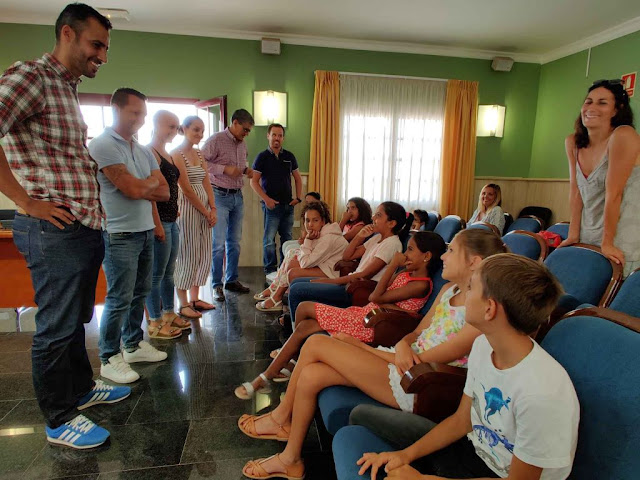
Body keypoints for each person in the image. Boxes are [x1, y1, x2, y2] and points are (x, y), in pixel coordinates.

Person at [236, 230, 508, 479]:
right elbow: (417, 333)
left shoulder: (480, 313)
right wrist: (403, 344)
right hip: (400, 361)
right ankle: (291, 460)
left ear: (474, 262)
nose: (444, 257)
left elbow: (427, 360)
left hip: (419, 383)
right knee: (312, 374)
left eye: (452, 251)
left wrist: (359, 346)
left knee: (317, 344)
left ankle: (281, 418)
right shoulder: (450, 290)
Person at [0, 4, 130, 449]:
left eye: (106, 48)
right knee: (56, 328)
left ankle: (81, 389)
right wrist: (26, 202)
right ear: (67, 34)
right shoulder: (32, 77)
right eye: (96, 45)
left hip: (80, 227)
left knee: (75, 320)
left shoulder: (65, 87)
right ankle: (58, 418)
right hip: (52, 229)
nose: (103, 56)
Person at [355, 254, 579, 480]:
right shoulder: (483, 345)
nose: (463, 293)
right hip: (469, 451)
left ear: (489, 309)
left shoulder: (541, 393)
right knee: (361, 417)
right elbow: (462, 420)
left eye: (470, 288)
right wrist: (404, 456)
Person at [235, 231, 445, 400]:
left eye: (410, 249)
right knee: (304, 326)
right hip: (364, 314)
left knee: (305, 308)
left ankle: (278, 368)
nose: (405, 254)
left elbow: (376, 296)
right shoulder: (406, 274)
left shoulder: (420, 285)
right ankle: (273, 371)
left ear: (426, 256)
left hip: (373, 324)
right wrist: (390, 284)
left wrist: (391, 266)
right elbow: (379, 295)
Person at [89, 88, 170, 384]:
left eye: (143, 114)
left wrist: (142, 185)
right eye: (135, 113)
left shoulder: (142, 149)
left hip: (145, 230)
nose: (140, 119)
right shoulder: (102, 144)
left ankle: (133, 345)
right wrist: (144, 185)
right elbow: (133, 189)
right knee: (119, 297)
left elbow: (165, 191)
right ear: (116, 110)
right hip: (119, 234)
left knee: (140, 292)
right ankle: (109, 357)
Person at [561, 79, 640, 277]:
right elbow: (576, 191)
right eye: (588, 101)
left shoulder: (624, 135)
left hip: (623, 239)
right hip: (589, 235)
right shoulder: (573, 142)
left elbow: (614, 194)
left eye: (602, 103)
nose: (591, 107)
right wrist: (573, 234)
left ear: (616, 110)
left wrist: (608, 243)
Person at [285, 201, 408, 323]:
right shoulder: (377, 238)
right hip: (350, 282)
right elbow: (347, 256)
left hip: (357, 289)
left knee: (297, 290)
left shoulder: (391, 244)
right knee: (296, 282)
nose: (373, 217)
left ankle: (294, 326)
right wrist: (360, 236)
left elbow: (365, 274)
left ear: (391, 223)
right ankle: (297, 324)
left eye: (378, 215)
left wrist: (331, 281)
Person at [253, 201, 348, 313]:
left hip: (333, 272)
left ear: (323, 221)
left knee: (293, 273)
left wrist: (307, 240)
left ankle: (277, 296)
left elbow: (305, 262)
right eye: (307, 220)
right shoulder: (321, 232)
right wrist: (308, 240)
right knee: (292, 257)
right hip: (325, 266)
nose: (310, 224)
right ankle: (275, 292)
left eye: (315, 220)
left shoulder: (328, 238)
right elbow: (310, 255)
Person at [144, 110, 190, 339]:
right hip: (159, 221)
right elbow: (150, 193)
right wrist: (156, 224)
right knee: (156, 274)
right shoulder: (148, 152)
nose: (174, 131)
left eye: (176, 127)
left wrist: (175, 210)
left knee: (169, 273)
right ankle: (155, 321)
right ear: (155, 125)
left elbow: (171, 187)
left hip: (172, 219)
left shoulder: (168, 154)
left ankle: (169, 313)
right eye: (170, 126)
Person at [202, 109, 255, 302]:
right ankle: (216, 284)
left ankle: (231, 280)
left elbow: (239, 166)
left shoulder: (243, 144)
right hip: (219, 196)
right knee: (218, 244)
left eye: (249, 131)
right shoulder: (216, 140)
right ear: (235, 122)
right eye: (245, 129)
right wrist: (224, 169)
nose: (246, 133)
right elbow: (201, 162)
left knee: (234, 242)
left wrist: (246, 170)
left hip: (237, 196)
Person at [172, 116, 217, 318]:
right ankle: (183, 304)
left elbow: (206, 181)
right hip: (188, 209)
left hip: (205, 208)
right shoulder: (176, 154)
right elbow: (186, 189)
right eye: (196, 130)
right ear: (184, 129)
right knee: (187, 253)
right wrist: (205, 211)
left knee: (203, 253)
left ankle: (195, 298)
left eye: (202, 130)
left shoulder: (199, 153)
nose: (200, 134)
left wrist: (213, 208)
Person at [251, 123, 303, 274]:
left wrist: (298, 198)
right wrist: (267, 199)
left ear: (283, 138)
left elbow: (298, 179)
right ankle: (270, 270)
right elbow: (253, 182)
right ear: (268, 136)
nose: (277, 138)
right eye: (274, 135)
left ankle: (284, 269)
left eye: (280, 135)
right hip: (271, 207)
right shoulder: (262, 157)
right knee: (269, 240)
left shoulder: (289, 156)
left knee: (287, 239)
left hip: (288, 206)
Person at [279, 191, 323, 260]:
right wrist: (302, 239)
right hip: (307, 241)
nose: (309, 204)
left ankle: (287, 265)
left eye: (311, 202)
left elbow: (317, 238)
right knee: (285, 244)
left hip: (313, 244)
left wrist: (306, 241)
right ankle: (284, 264)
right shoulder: (306, 213)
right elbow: (304, 233)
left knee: (289, 248)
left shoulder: (320, 215)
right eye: (307, 202)